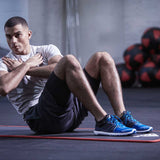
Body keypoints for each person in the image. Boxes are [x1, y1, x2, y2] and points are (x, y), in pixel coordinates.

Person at [0, 16, 152, 136]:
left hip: (70, 112)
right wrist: (26, 64)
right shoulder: (4, 62)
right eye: (8, 37)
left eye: (17, 35)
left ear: (28, 34)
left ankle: (123, 116)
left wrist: (25, 69)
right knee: (69, 60)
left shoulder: (45, 50)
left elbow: (57, 67)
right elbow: (4, 87)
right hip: (42, 119)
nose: (13, 41)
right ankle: (103, 120)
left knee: (102, 57)